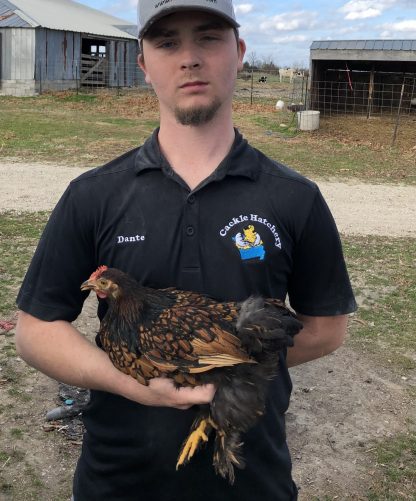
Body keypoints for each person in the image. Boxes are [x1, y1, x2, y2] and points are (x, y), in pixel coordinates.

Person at [15, 0, 357, 499]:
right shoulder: (94, 194)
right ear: (143, 64)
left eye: (209, 38)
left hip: (249, 479)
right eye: (168, 42)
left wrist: (230, 362)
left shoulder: (294, 197)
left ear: (239, 53)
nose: (189, 58)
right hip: (118, 482)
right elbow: (35, 331)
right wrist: (138, 379)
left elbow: (326, 330)